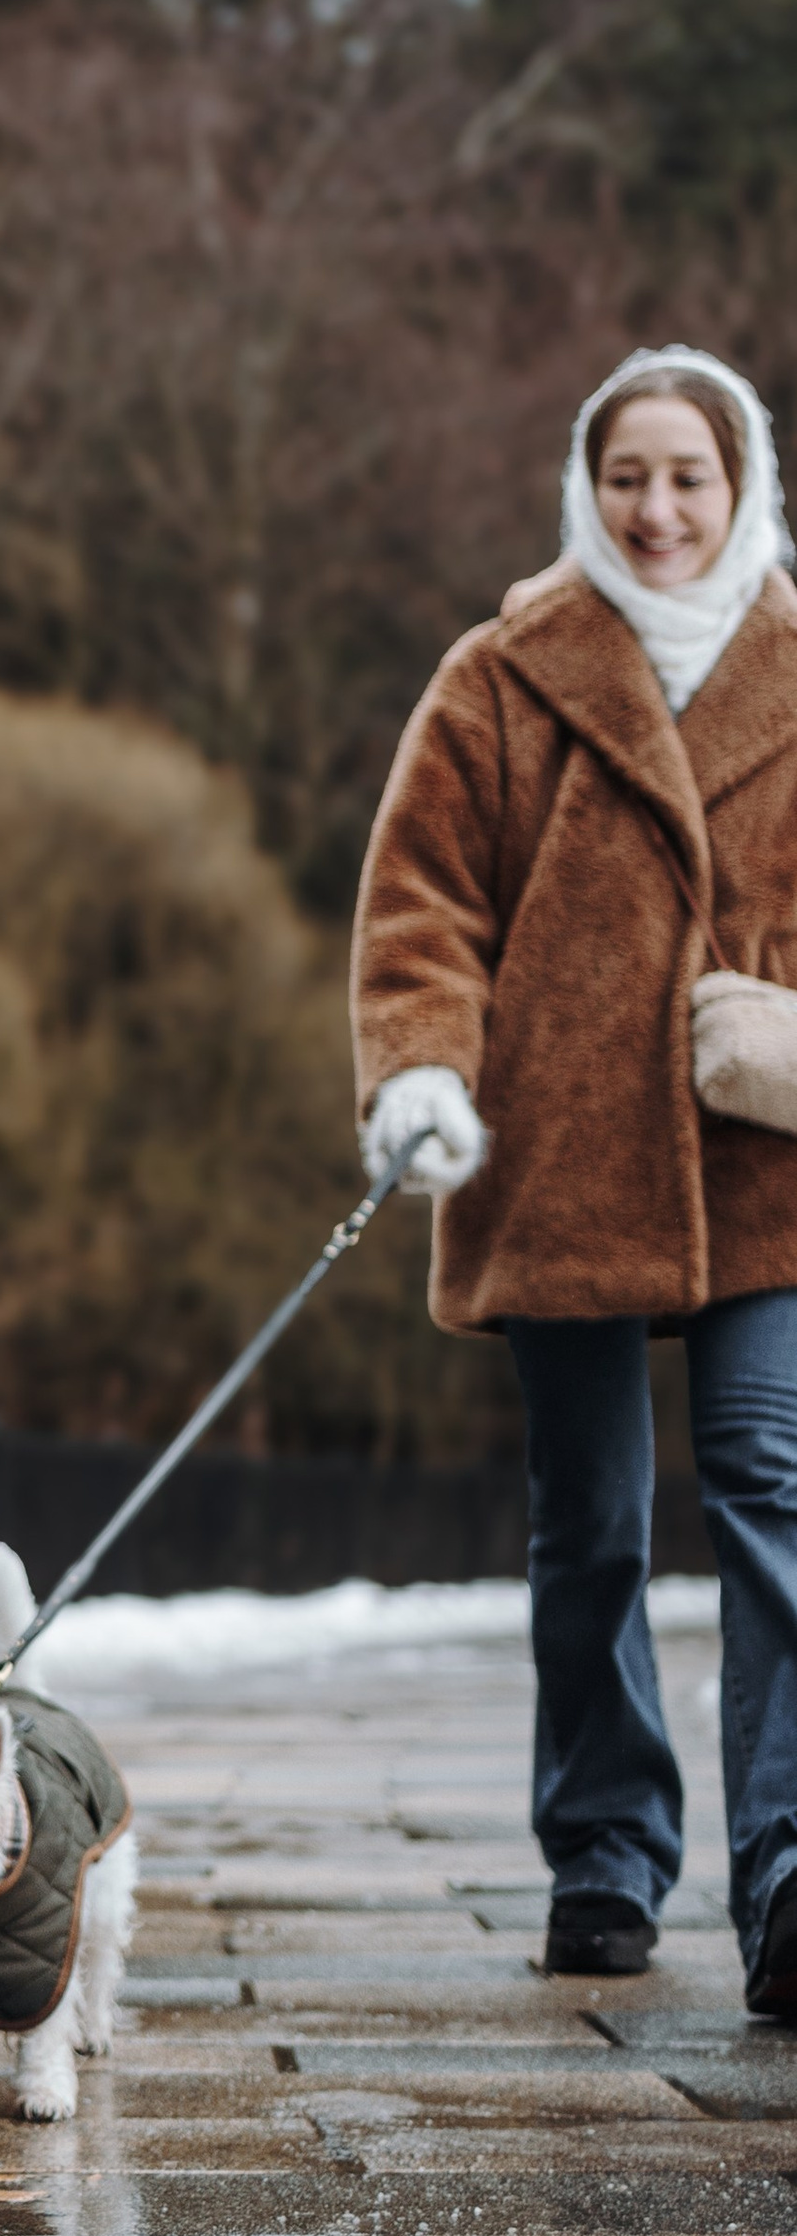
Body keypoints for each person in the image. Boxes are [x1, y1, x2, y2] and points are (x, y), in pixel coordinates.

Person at [352, 343, 797, 2014]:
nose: (661, 509)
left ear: (741, 482)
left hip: (773, 1160)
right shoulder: (500, 675)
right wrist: (420, 1071)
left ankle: (791, 1860)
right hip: (557, 1152)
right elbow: (421, 904)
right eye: (632, 478)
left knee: (772, 1487)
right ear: (587, 488)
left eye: (690, 476)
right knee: (591, 1524)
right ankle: (606, 1855)